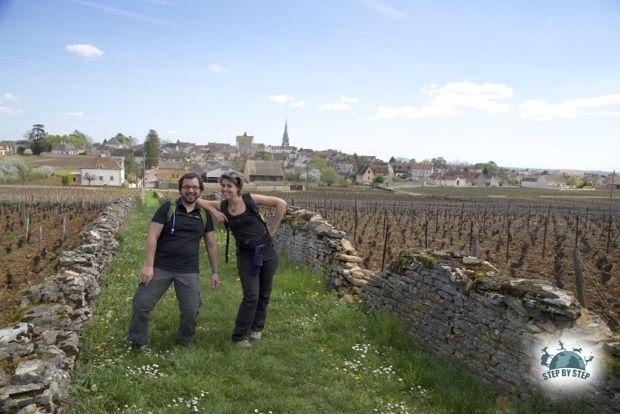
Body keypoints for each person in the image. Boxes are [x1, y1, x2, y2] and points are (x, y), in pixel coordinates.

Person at [128, 173, 219, 348]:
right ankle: (138, 342)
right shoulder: (167, 208)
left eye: (195, 187)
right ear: (180, 190)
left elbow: (211, 246)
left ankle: (186, 341)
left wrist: (215, 271)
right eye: (186, 187)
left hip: (188, 270)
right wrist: (148, 265)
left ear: (200, 190)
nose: (190, 190)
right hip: (161, 266)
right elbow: (152, 236)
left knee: (191, 310)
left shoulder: (205, 215)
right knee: (141, 304)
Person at [197, 173, 286, 347]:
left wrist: (272, 228)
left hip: (266, 251)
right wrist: (214, 210)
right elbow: (199, 200)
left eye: (229, 186)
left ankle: (256, 328)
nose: (225, 189)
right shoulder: (222, 206)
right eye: (222, 185)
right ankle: (239, 336)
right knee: (251, 295)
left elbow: (280, 203)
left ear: (238, 188)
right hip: (245, 255)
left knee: (264, 293)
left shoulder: (250, 199)